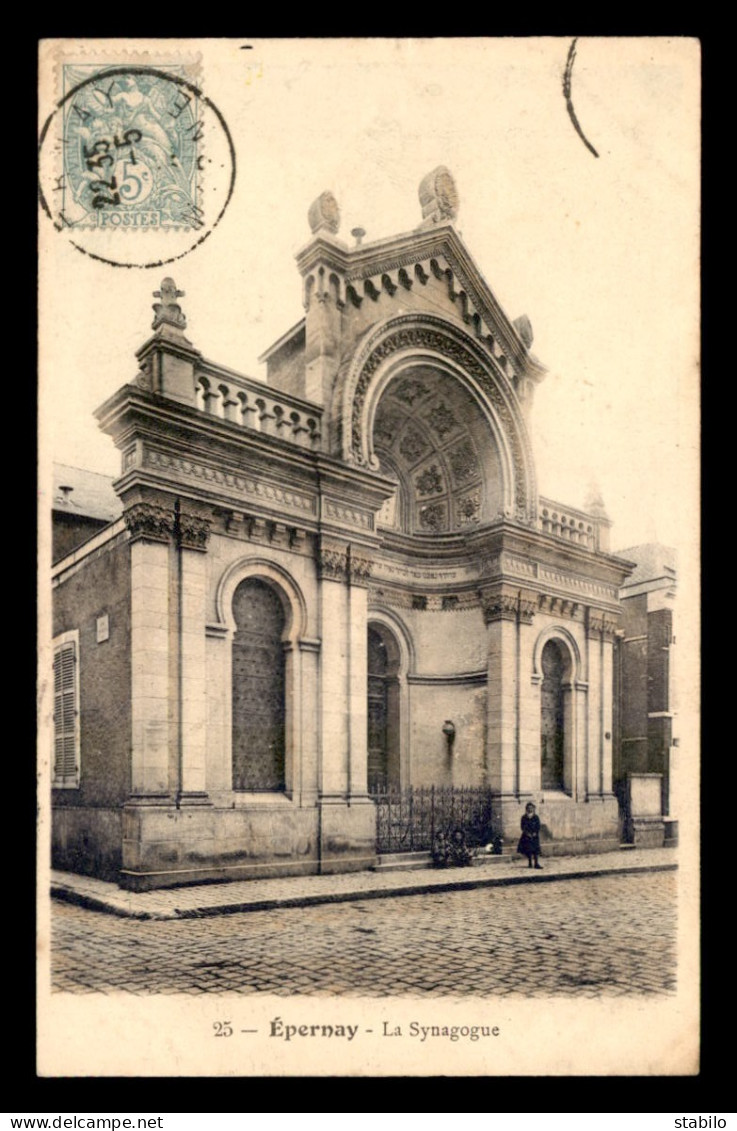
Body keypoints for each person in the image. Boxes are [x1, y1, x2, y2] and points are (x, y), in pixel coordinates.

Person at [517, 802, 542, 869]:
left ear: (533, 809)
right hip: (527, 836)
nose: (530, 809)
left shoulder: (536, 817)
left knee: (536, 850)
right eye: (528, 808)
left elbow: (538, 826)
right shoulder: (524, 817)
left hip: (534, 836)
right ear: (526, 809)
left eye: (531, 808)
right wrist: (527, 833)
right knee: (528, 849)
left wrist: (535, 832)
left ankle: (536, 863)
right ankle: (530, 862)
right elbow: (522, 827)